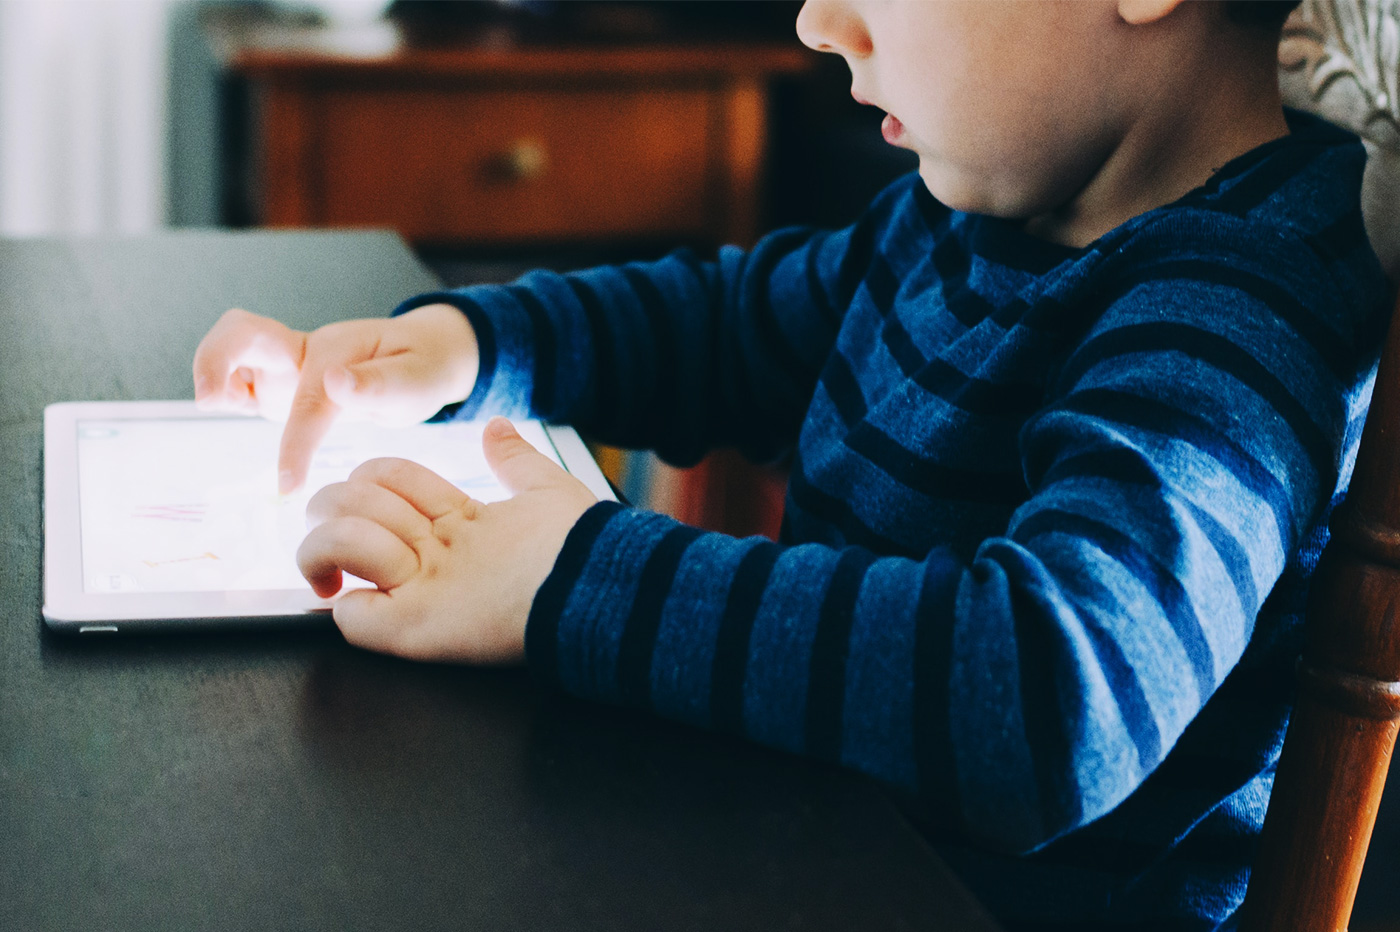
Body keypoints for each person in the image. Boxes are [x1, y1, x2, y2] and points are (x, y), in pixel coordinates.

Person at [192, 1, 1393, 928]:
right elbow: (724, 327)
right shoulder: (969, 216)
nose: (818, 22)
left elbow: (1053, 694)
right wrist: (464, 345)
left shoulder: (1240, 308)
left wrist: (570, 570)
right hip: (810, 852)